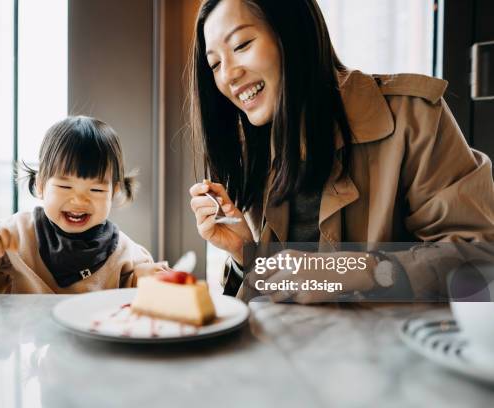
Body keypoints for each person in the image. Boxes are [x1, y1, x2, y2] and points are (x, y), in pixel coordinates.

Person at [187, 0, 494, 302]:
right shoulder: (254, 147)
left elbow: (481, 258)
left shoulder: (413, 117)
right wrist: (245, 254)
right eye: (215, 64)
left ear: (293, 32)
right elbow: (288, 290)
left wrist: (359, 270)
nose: (227, 75)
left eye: (241, 45)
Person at [0, 116, 163, 293]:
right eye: (65, 187)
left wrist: (145, 279)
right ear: (41, 185)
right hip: (23, 338)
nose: (79, 200)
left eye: (96, 190)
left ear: (114, 192)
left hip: (88, 341)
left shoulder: (124, 252)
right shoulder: (18, 233)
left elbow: (138, 293)